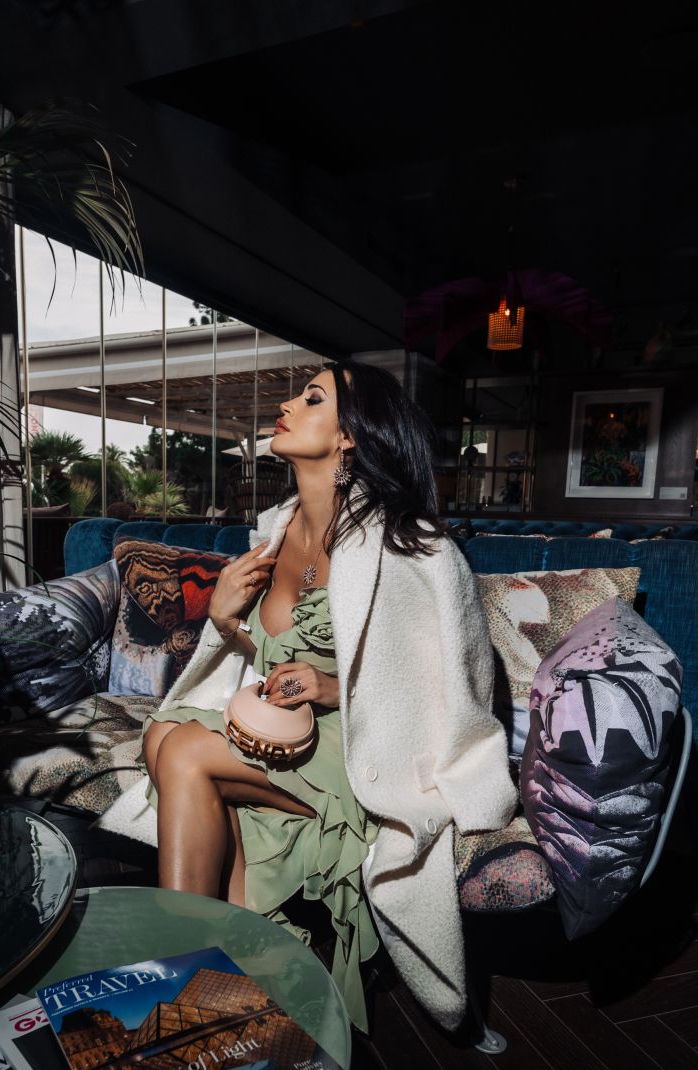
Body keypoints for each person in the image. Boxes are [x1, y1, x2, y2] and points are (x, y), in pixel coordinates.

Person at [136, 361, 517, 1034]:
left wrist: (334, 687)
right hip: (290, 735)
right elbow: (265, 662)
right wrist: (223, 620)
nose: (286, 404)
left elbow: (454, 692)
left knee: (186, 754)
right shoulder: (273, 534)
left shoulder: (413, 548)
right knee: (161, 735)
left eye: (311, 397)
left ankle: (184, 984)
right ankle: (242, 965)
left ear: (349, 436)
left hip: (365, 749)